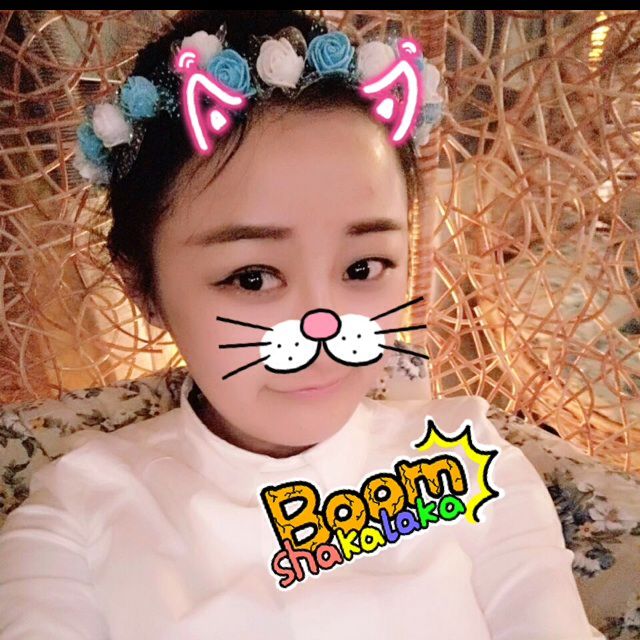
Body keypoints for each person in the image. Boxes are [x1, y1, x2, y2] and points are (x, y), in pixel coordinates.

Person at [0, 9, 604, 639]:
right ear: (142, 287)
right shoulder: (75, 517)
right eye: (253, 277)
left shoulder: (470, 458)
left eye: (363, 267)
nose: (325, 323)